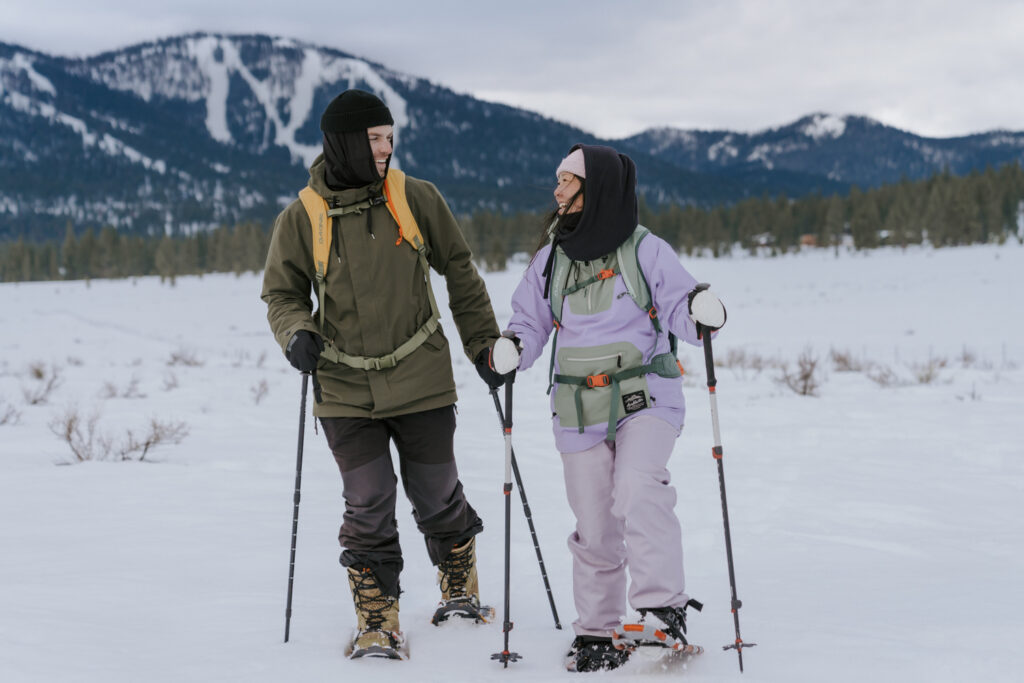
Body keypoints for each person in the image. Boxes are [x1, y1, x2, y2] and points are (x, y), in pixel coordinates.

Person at [261, 89, 506, 659]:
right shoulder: (302, 217)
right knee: (367, 500)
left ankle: (458, 585)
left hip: (421, 375)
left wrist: (485, 347)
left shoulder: (415, 197)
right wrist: (296, 333)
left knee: (436, 492)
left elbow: (460, 271)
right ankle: (379, 617)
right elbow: (281, 293)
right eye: (374, 138)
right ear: (344, 142)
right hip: (343, 387)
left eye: (390, 137)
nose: (386, 148)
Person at [486, 144, 727, 672]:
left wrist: (700, 313)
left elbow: (680, 304)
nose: (557, 190)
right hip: (576, 408)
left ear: (596, 189)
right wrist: (511, 350)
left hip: (646, 398)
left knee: (639, 485)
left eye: (567, 180)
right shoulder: (550, 260)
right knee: (594, 524)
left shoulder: (646, 251)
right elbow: (528, 322)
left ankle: (663, 606)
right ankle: (597, 631)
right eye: (557, 180)